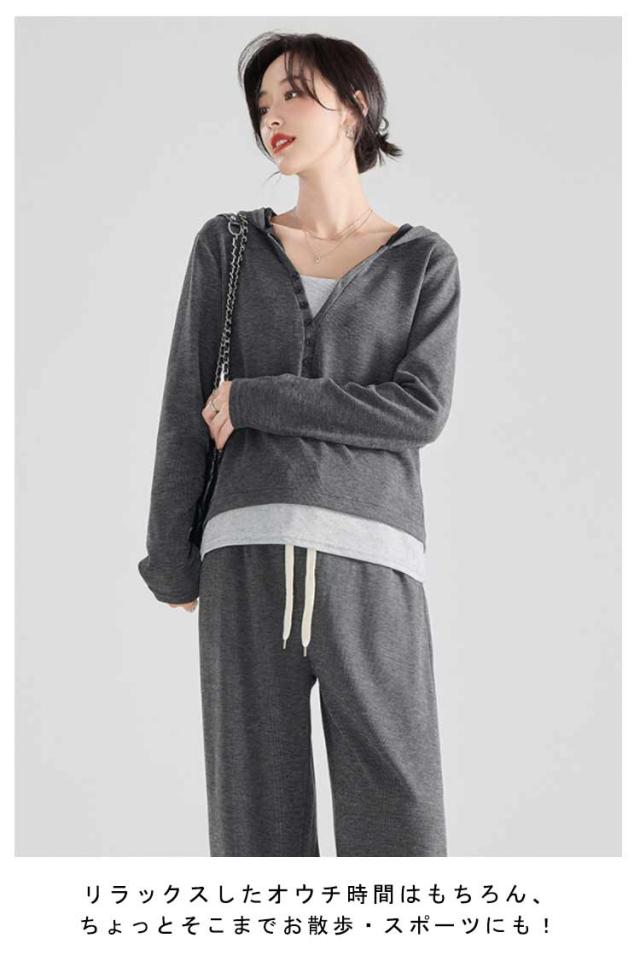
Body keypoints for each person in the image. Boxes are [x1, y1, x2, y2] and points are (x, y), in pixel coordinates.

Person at [138, 30, 462, 857]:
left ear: (355, 107)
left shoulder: (422, 263)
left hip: (374, 563)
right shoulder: (228, 245)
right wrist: (171, 558)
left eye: (292, 93)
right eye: (261, 104)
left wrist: (260, 397)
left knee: (402, 828)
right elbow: (184, 406)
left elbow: (419, 410)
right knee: (255, 832)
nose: (271, 117)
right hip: (245, 555)